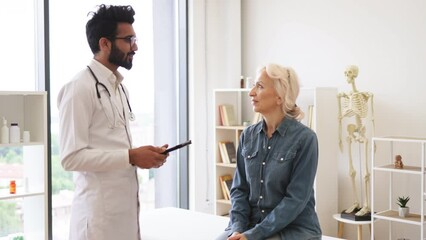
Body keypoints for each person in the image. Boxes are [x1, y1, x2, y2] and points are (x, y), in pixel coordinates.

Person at [57, 4, 169, 240]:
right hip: (97, 222)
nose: (135, 47)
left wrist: (144, 155)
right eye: (129, 40)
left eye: (135, 38)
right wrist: (130, 156)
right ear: (104, 43)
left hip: (125, 218)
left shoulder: (118, 87)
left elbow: (113, 145)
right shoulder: (78, 89)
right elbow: (70, 158)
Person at [216, 63, 322, 240]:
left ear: (280, 97)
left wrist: (253, 235)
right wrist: (237, 230)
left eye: (260, 86)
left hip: (294, 229)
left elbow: (295, 200)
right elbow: (239, 190)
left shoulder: (306, 139)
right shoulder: (248, 135)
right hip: (250, 225)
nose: (251, 92)